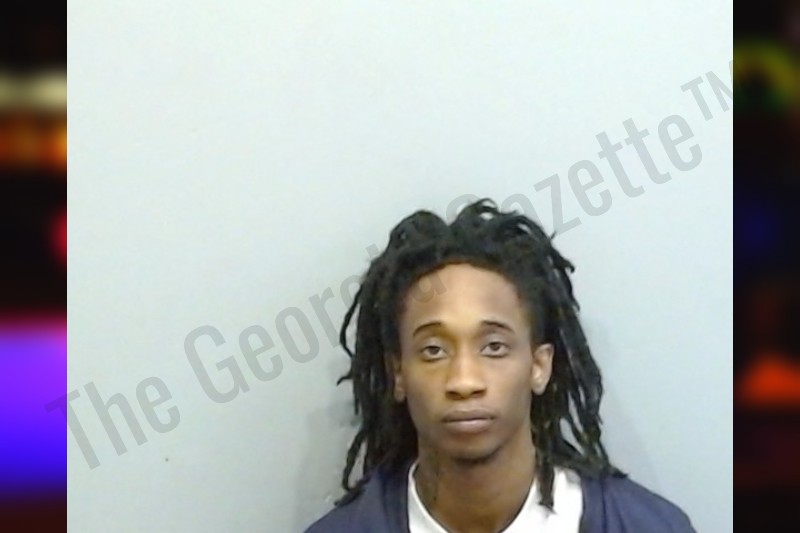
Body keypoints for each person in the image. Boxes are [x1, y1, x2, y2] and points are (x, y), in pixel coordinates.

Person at [305, 199, 694, 532]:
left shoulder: (645, 526)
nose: (464, 381)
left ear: (539, 366)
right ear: (398, 373)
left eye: (494, 347)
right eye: (434, 350)